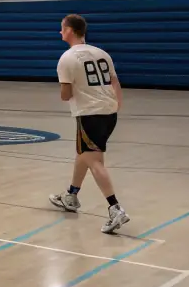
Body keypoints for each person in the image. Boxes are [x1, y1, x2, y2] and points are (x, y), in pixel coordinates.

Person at [49, 14, 130, 235]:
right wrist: (116, 106)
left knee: (94, 161)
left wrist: (70, 89)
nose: (60, 32)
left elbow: (65, 95)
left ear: (71, 31)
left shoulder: (66, 58)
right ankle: (71, 195)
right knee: (84, 154)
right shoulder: (102, 53)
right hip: (109, 113)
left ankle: (115, 208)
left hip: (89, 115)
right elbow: (115, 82)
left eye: (62, 29)